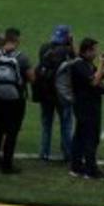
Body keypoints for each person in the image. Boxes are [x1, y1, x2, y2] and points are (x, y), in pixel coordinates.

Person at [0, 28, 34, 174]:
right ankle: (7, 164)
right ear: (16, 41)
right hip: (15, 99)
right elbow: (32, 78)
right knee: (12, 132)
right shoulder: (22, 58)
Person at [69, 38, 104, 179]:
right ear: (87, 50)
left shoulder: (86, 64)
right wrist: (102, 65)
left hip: (85, 105)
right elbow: (94, 82)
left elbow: (98, 77)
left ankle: (76, 167)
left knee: (80, 136)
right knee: (91, 138)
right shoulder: (80, 65)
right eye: (94, 50)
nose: (96, 53)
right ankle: (91, 170)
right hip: (86, 106)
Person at [32, 25, 74, 164]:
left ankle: (44, 154)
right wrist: (72, 45)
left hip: (45, 93)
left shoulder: (44, 48)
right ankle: (68, 154)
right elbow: (75, 64)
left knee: (46, 125)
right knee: (66, 124)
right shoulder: (66, 51)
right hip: (60, 94)